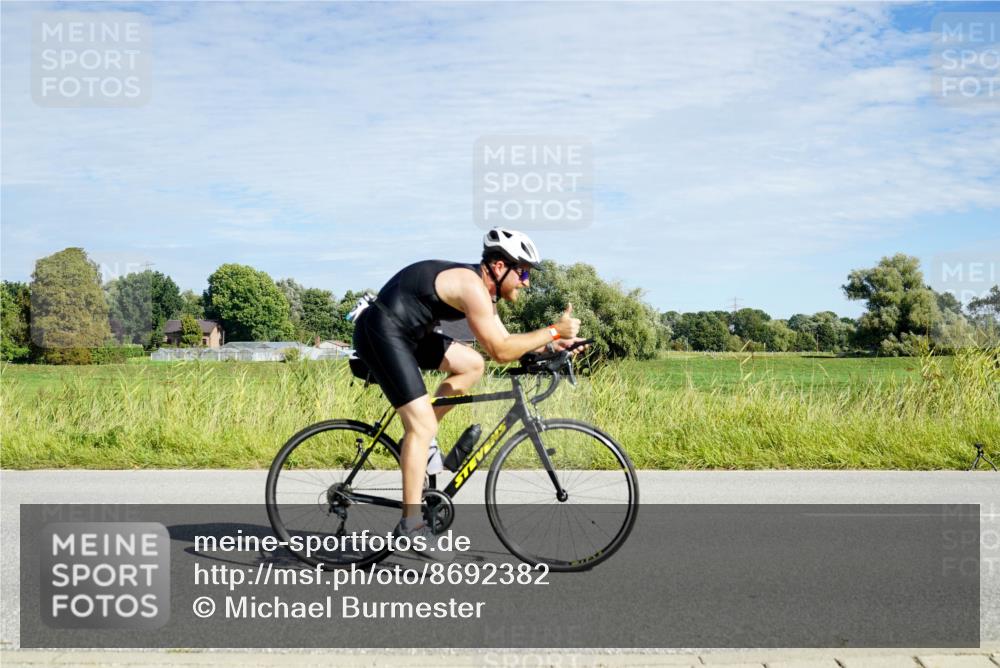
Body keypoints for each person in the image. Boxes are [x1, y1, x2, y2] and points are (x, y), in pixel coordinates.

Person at [351, 227, 586, 561]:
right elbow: (503, 351)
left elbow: (506, 344)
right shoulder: (471, 286)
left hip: (410, 334)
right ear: (499, 266)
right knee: (420, 427)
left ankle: (417, 444)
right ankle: (411, 525)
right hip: (382, 331)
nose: (526, 281)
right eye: (522, 272)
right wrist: (552, 329)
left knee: (472, 364)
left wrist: (553, 345)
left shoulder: (483, 294)